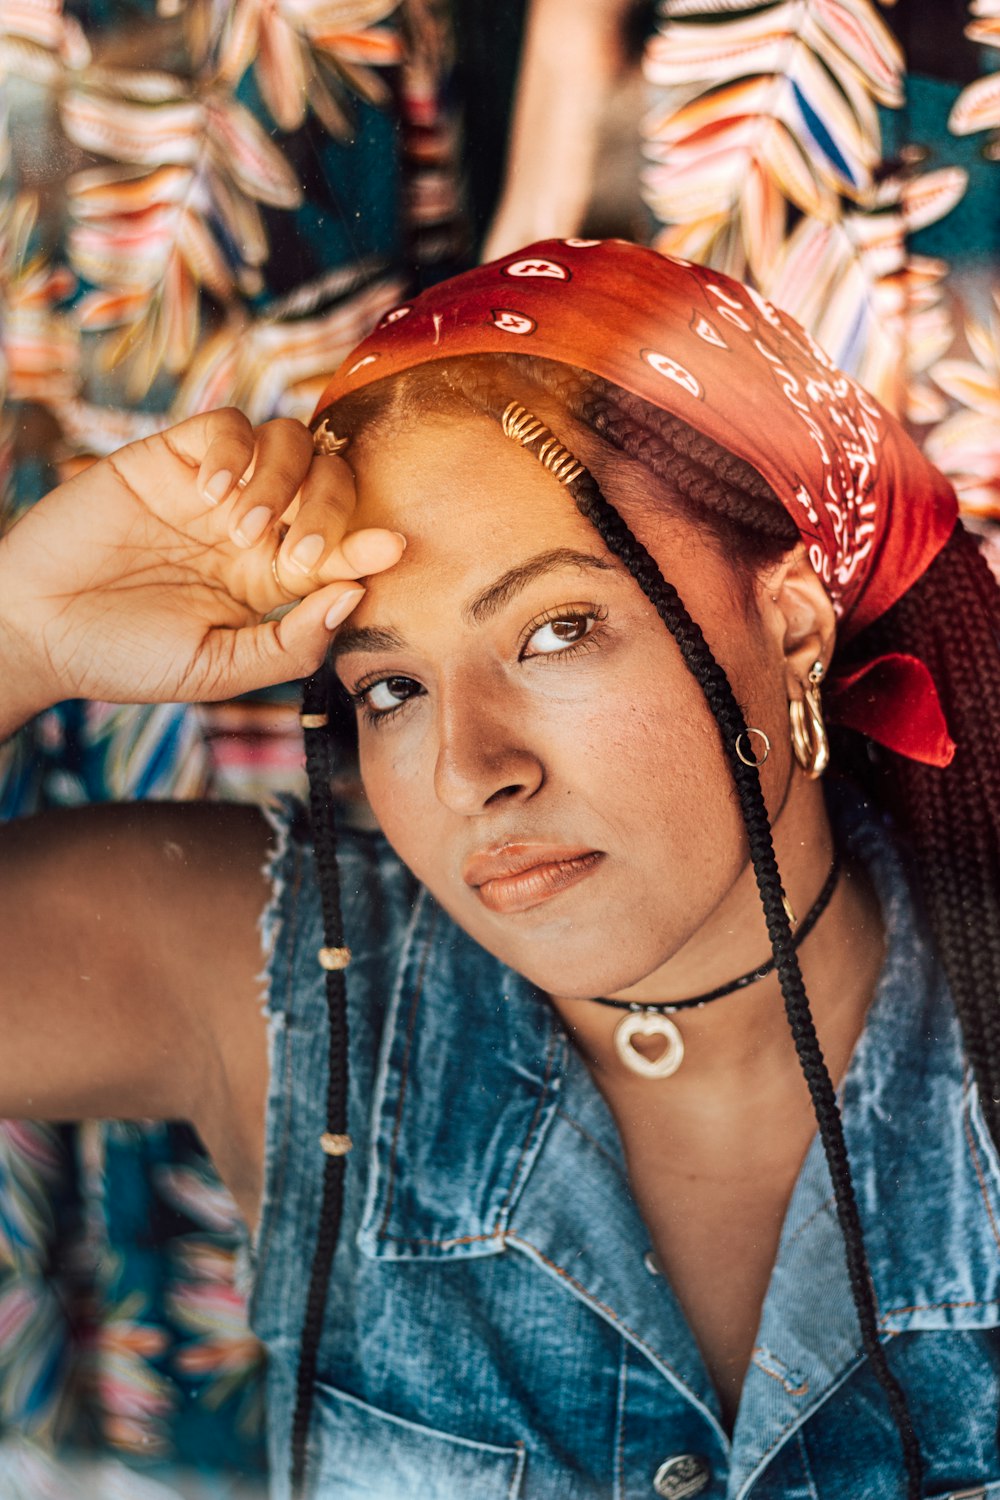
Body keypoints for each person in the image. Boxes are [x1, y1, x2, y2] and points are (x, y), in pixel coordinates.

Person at [2, 237, 999, 1500]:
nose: (473, 769)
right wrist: (21, 628)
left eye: (558, 630)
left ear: (791, 621)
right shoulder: (279, 982)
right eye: (392, 687)